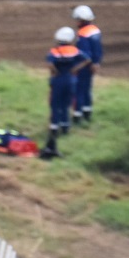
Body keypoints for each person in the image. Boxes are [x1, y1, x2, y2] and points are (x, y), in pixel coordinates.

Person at [41, 26, 90, 159]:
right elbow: (87, 60)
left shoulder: (54, 51)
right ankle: (65, 126)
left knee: (55, 104)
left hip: (58, 80)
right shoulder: (75, 50)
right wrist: (75, 69)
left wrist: (55, 71)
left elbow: (50, 63)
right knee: (66, 104)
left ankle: (54, 127)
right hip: (71, 80)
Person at [71, 4, 103, 125]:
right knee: (87, 90)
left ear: (81, 20)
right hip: (92, 65)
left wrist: (76, 67)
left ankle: (77, 116)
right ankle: (87, 113)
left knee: (79, 90)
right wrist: (96, 62)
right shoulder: (95, 30)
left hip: (83, 67)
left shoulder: (82, 34)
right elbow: (98, 49)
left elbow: (85, 55)